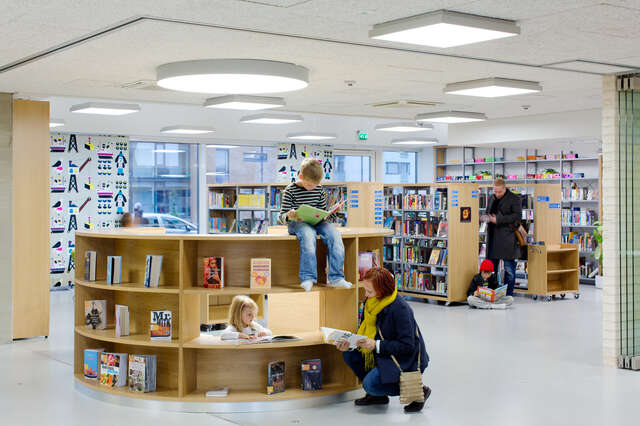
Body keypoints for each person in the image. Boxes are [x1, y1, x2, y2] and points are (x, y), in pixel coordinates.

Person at [337, 267, 431, 413]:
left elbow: (407, 346)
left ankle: (417, 392)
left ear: (382, 291)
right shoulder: (370, 304)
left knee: (370, 384)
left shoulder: (400, 309)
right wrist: (351, 343)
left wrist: (376, 345)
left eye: (370, 292)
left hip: (403, 359)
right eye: (365, 290)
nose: (366, 295)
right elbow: (367, 331)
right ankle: (377, 396)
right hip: (382, 352)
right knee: (349, 354)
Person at [278, 158, 352, 291]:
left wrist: (334, 212)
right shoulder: (290, 190)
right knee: (308, 235)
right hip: (298, 224)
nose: (312, 187)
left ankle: (337, 277)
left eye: (315, 185)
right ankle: (308, 278)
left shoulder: (318, 189)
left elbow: (322, 214)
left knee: (335, 235)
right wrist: (289, 215)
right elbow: (281, 217)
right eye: (309, 185)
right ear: (301, 176)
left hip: (317, 222)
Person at [483, 178, 522, 296]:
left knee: (509, 270)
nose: (497, 194)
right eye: (495, 192)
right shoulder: (492, 198)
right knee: (491, 269)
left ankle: (508, 295)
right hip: (493, 239)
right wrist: (486, 217)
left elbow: (517, 217)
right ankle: (492, 294)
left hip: (507, 239)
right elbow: (487, 211)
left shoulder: (514, 199)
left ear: (505, 188)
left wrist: (498, 219)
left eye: (499, 192)